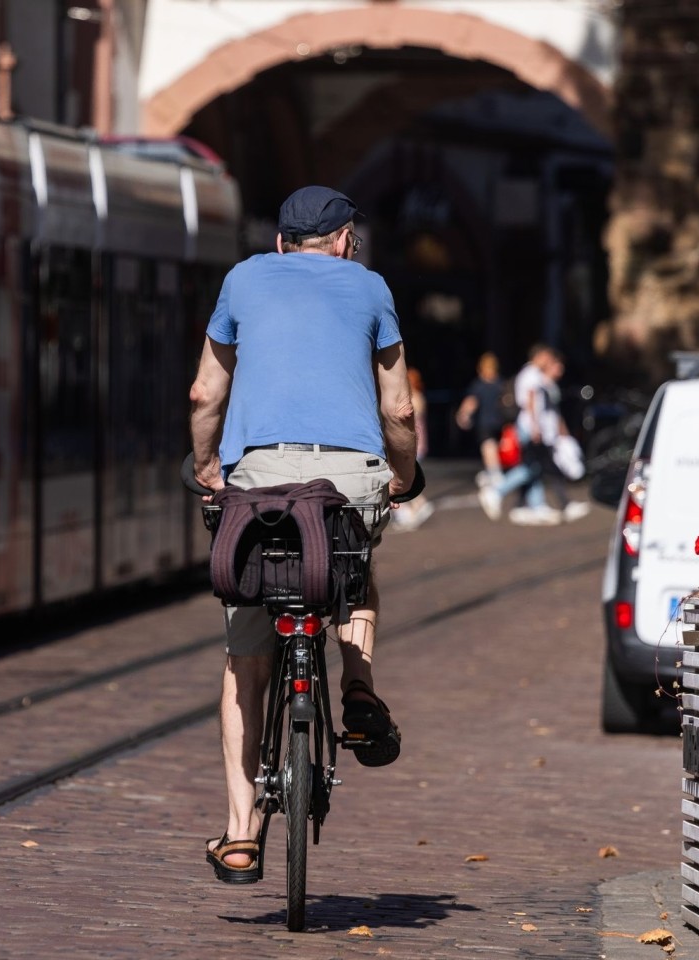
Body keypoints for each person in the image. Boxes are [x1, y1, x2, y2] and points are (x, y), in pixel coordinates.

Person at [189, 185, 418, 883]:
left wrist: (207, 468)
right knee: (354, 558)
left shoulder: (242, 279)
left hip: (258, 480)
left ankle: (238, 833)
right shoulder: (371, 288)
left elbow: (205, 394)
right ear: (347, 241)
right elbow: (399, 408)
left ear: (282, 242)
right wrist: (401, 475)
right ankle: (358, 685)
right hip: (348, 477)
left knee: (245, 659)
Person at [477, 345, 588, 525]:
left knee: (534, 466)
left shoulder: (533, 373)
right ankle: (497, 490)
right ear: (540, 356)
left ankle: (535, 505)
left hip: (532, 426)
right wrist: (536, 426)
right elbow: (530, 400)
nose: (549, 360)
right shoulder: (531, 374)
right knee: (532, 466)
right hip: (530, 427)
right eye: (547, 356)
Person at [389, 367, 434, 530]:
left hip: (412, 444)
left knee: (405, 478)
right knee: (405, 477)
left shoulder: (414, 398)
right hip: (414, 443)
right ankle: (410, 512)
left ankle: (419, 505)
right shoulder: (417, 397)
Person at [455, 352, 507, 487]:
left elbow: (471, 402)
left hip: (485, 422)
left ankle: (495, 474)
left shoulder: (478, 385)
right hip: (500, 421)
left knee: (488, 448)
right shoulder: (501, 383)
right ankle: (492, 474)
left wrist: (463, 414)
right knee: (495, 448)